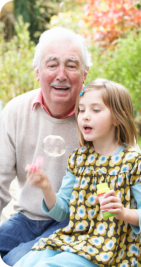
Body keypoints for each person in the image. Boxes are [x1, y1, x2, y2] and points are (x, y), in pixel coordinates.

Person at [13, 78, 141, 267]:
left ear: (117, 117)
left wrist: (122, 212)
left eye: (95, 110)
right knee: (26, 261)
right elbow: (62, 212)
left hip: (109, 250)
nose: (85, 116)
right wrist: (46, 188)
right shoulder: (78, 159)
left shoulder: (133, 162)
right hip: (76, 241)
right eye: (81, 110)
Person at [0, 27, 91, 266]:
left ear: (85, 73)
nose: (61, 74)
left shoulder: (98, 116)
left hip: (74, 221)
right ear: (38, 72)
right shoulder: (15, 111)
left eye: (71, 65)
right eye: (52, 64)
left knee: (19, 260)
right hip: (26, 218)